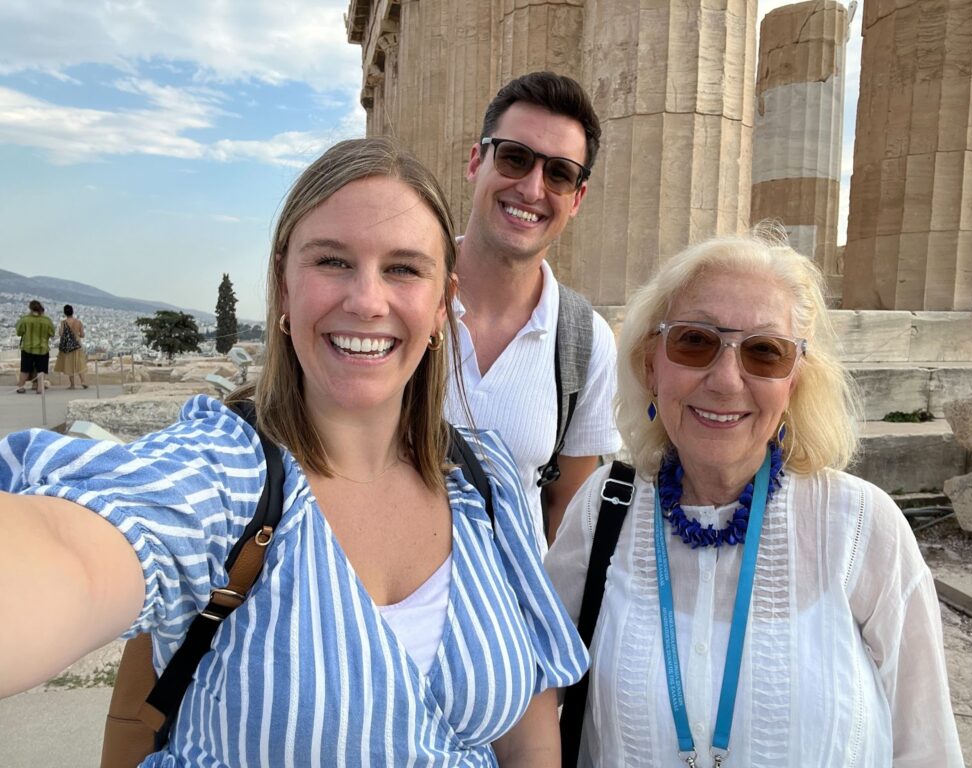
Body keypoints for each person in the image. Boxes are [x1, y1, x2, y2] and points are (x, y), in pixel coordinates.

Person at [0, 137, 587, 766]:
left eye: (403, 268)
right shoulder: (222, 474)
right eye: (332, 261)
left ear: (443, 303)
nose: (366, 300)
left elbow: (527, 732)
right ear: (283, 286)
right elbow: (72, 552)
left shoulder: (486, 480)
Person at [545, 232, 965, 766]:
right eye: (694, 341)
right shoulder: (602, 510)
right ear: (651, 364)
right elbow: (529, 693)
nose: (724, 380)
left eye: (765, 352)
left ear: (795, 381)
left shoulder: (861, 527)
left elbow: (927, 747)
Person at [447, 71, 620, 550]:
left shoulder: (585, 341)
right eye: (515, 158)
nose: (531, 188)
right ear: (476, 162)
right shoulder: (398, 301)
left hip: (509, 615)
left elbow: (567, 510)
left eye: (559, 173)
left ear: (577, 198)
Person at [15, 299, 55, 394]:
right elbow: (52, 333)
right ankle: (40, 388)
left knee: (25, 369)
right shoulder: (47, 320)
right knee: (41, 370)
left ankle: (21, 387)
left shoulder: (25, 319)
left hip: (27, 348)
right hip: (42, 348)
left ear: (30, 308)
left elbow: (19, 332)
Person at [53, 304, 88, 389]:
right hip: (77, 346)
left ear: (65, 313)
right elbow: (82, 335)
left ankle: (72, 385)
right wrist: (76, 334)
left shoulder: (63, 323)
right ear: (73, 311)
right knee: (80, 364)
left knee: (69, 366)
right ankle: (83, 382)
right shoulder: (78, 322)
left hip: (67, 347)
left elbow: (61, 334)